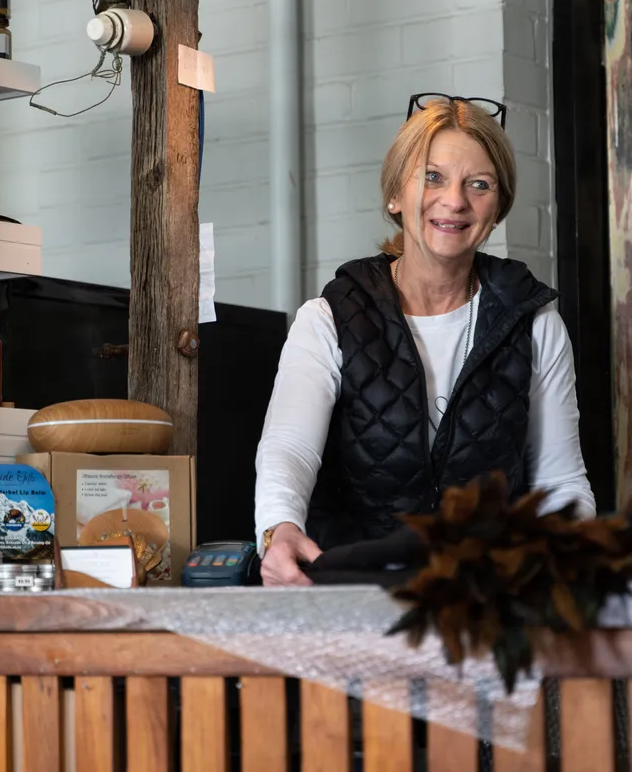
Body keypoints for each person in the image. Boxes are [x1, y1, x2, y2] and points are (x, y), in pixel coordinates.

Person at [254, 93, 595, 587]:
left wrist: (564, 554)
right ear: (395, 194)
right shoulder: (328, 319)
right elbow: (289, 447)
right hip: (354, 594)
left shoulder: (535, 323)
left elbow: (561, 481)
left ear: (496, 209)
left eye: (478, 185)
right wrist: (279, 527)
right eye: (433, 177)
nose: (454, 200)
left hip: (487, 600)